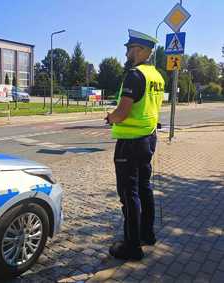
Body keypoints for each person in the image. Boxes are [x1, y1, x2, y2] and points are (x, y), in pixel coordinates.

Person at [105, 29, 165, 261]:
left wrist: (110, 117)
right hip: (149, 139)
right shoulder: (157, 76)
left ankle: (131, 247)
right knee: (144, 188)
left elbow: (122, 113)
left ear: (141, 51)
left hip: (130, 144)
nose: (127, 52)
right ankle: (147, 235)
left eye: (130, 48)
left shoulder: (135, 75)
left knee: (129, 195)